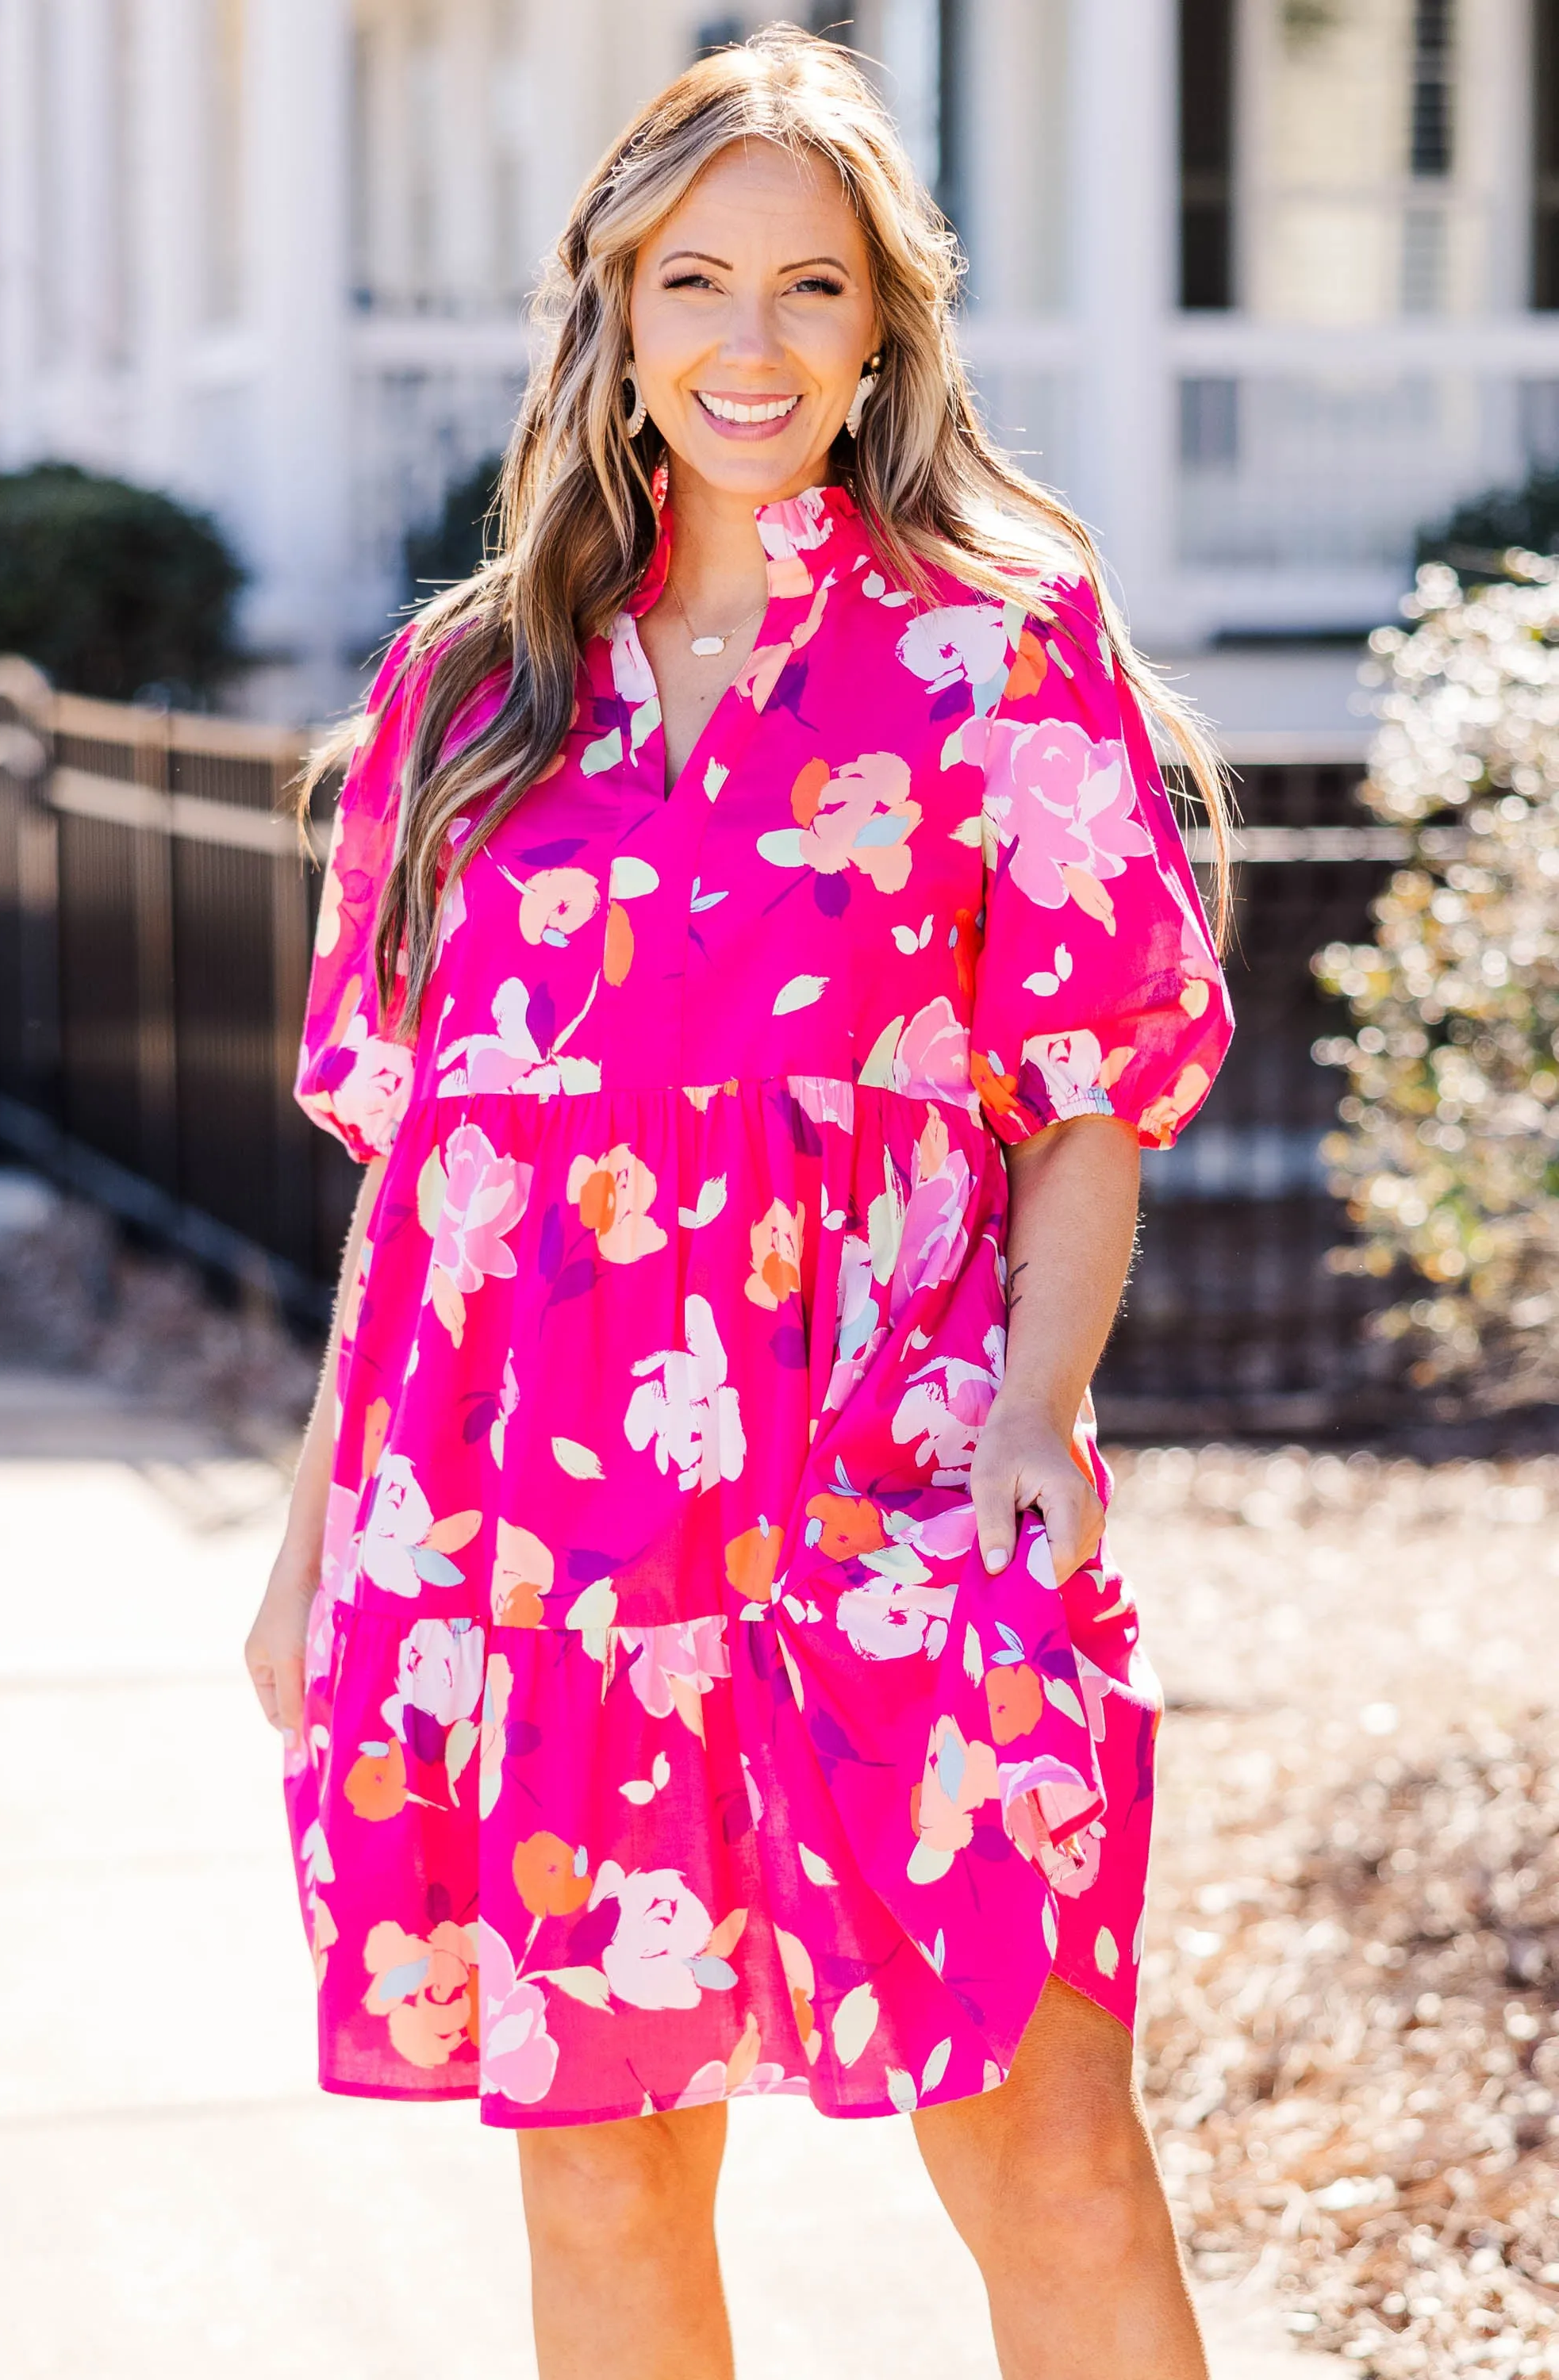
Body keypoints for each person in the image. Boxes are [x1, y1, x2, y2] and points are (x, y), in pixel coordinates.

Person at [245, 27, 1233, 2379]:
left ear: (886, 322)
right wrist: (309, 1553)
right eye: (699, 282)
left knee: (1056, 2150)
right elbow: (419, 1180)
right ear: (613, 310)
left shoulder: (995, 651)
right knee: (601, 2179)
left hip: (892, 1489)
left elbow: (1090, 1088)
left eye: (812, 286)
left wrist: (1038, 1411)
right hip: (516, 1542)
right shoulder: (467, 697)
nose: (753, 342)